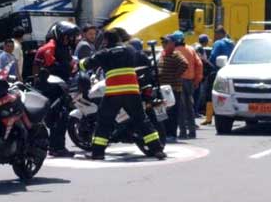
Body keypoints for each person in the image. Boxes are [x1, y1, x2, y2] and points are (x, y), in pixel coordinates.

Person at [79, 30, 165, 160]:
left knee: (104, 122)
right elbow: (142, 60)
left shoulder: (104, 53)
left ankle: (98, 153)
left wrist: (80, 61)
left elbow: (86, 65)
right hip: (132, 92)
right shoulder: (129, 50)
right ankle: (157, 149)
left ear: (106, 41)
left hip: (114, 93)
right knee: (142, 120)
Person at [34, 21, 80, 157]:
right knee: (59, 117)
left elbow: (69, 64)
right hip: (50, 87)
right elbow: (52, 65)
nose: (69, 39)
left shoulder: (64, 47)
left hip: (60, 86)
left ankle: (55, 146)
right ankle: (56, 147)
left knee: (60, 116)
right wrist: (69, 66)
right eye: (67, 36)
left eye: (70, 37)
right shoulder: (50, 47)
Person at [157, 35, 189, 143]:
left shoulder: (176, 54)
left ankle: (172, 134)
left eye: (166, 42)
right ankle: (165, 133)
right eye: (163, 42)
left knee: (172, 112)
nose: (164, 44)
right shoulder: (163, 55)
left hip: (173, 89)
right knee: (163, 112)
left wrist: (176, 75)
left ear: (172, 44)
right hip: (163, 88)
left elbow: (185, 64)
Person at [173, 31, 202, 139]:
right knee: (190, 107)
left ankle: (183, 132)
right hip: (189, 82)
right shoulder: (191, 50)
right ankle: (192, 132)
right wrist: (197, 81)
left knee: (181, 108)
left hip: (178, 82)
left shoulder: (174, 51)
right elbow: (199, 65)